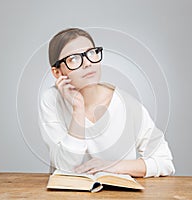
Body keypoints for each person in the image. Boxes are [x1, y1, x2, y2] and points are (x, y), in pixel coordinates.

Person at [38, 27, 175, 177]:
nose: (87, 64)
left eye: (91, 53)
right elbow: (65, 167)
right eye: (74, 59)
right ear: (57, 73)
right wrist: (78, 109)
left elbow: (165, 162)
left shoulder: (126, 104)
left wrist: (111, 166)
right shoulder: (51, 100)